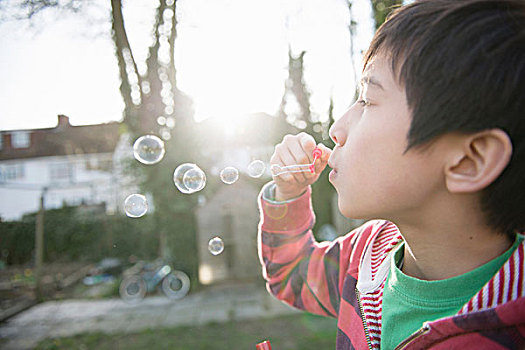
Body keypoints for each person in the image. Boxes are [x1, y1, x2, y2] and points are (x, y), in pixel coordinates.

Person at [257, 0, 525, 349]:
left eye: (367, 100)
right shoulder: (366, 255)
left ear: (468, 161)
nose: (337, 128)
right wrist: (289, 196)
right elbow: (291, 275)